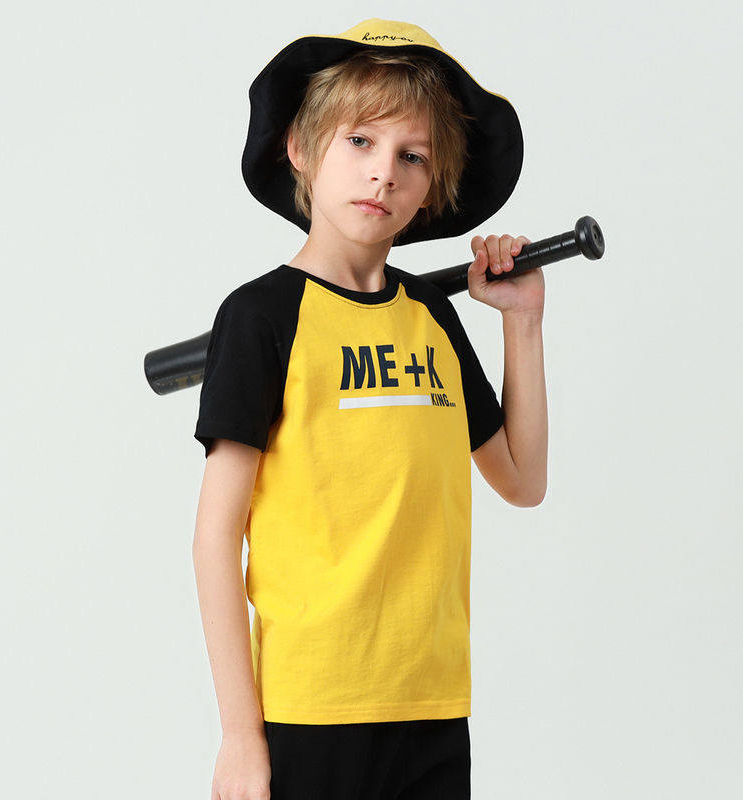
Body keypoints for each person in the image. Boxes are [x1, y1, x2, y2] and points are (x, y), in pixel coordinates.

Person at [192, 17, 548, 800]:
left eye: (411, 156)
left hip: (431, 702)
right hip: (311, 710)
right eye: (360, 141)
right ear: (301, 148)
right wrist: (240, 735)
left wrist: (522, 323)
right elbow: (215, 538)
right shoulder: (262, 318)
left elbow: (522, 480)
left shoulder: (431, 317)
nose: (383, 172)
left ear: (432, 188)